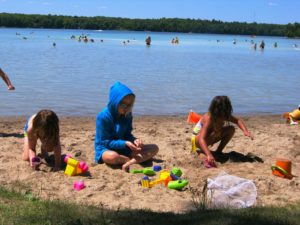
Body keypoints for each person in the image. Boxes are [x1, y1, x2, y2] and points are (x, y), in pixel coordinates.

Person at [94, 82, 159, 172]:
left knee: (154, 148)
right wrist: (125, 143)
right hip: (106, 148)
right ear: (115, 102)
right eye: (123, 105)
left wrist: (134, 141)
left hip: (124, 148)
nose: (126, 108)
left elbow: (127, 134)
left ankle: (129, 163)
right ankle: (128, 160)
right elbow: (105, 142)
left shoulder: (127, 115)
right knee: (112, 156)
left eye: (130, 105)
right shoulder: (103, 117)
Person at [193, 96, 253, 167]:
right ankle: (202, 152)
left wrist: (245, 131)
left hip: (210, 137)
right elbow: (201, 139)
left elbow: (238, 120)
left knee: (231, 129)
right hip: (197, 140)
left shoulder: (224, 115)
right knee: (215, 132)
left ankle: (218, 151)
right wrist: (209, 155)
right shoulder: (209, 118)